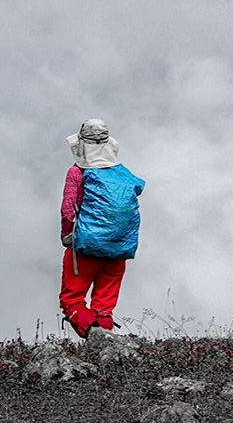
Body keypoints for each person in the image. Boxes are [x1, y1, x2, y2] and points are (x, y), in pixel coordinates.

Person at [59, 118, 144, 338]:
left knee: (72, 300)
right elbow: (137, 189)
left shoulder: (77, 173)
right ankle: (108, 347)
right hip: (119, 249)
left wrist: (67, 236)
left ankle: (94, 338)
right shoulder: (123, 172)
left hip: (87, 247)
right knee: (103, 308)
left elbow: (69, 209)